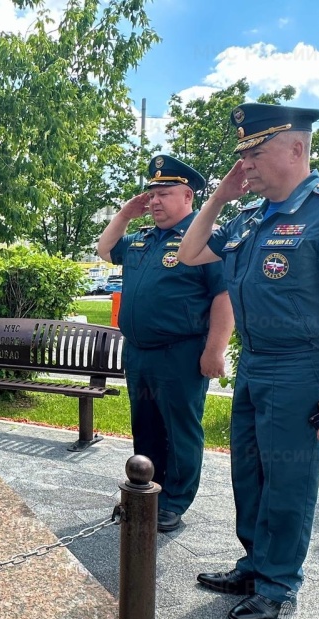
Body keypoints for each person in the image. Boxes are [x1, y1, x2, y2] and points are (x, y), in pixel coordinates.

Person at [178, 103, 319, 619]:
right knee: (249, 474)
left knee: (289, 479)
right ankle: (254, 564)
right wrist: (221, 196)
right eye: (241, 153)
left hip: (304, 366)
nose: (245, 163)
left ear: (295, 148)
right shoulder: (249, 216)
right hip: (255, 363)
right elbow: (190, 251)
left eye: (256, 151)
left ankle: (277, 582)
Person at [96, 155, 234, 532]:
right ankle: (147, 492)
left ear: (188, 196)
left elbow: (224, 297)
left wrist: (214, 350)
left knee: (180, 429)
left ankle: (174, 501)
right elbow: (105, 250)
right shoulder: (143, 238)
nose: (155, 201)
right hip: (140, 352)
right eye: (152, 193)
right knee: (146, 426)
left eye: (165, 193)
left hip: (182, 353)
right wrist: (125, 214)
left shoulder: (206, 238)